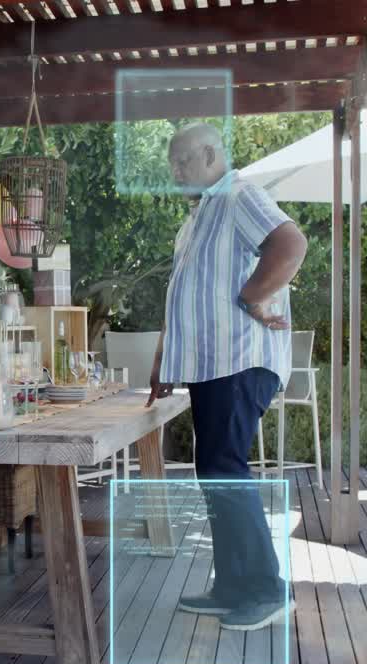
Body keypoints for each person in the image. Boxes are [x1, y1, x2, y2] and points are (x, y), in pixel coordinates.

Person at [146, 123, 307, 632]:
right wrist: (162, 360)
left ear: (212, 154)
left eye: (183, 161)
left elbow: (290, 244)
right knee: (214, 467)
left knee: (225, 466)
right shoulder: (197, 218)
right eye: (171, 163)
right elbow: (184, 295)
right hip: (211, 362)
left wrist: (252, 296)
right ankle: (233, 585)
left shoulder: (239, 194)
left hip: (240, 358)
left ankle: (266, 589)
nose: (175, 172)